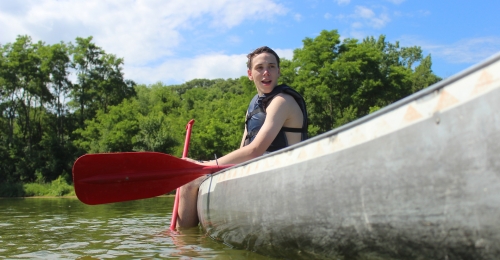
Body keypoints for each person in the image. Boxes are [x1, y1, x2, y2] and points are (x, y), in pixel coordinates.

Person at [176, 46, 308, 228]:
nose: (266, 72)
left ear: (279, 71)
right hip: (256, 171)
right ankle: (185, 241)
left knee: (190, 180)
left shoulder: (282, 101)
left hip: (281, 173)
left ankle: (183, 243)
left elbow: (255, 150)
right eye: (259, 68)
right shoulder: (253, 106)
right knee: (189, 179)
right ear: (250, 73)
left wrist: (205, 167)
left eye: (271, 67)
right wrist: (211, 168)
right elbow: (243, 150)